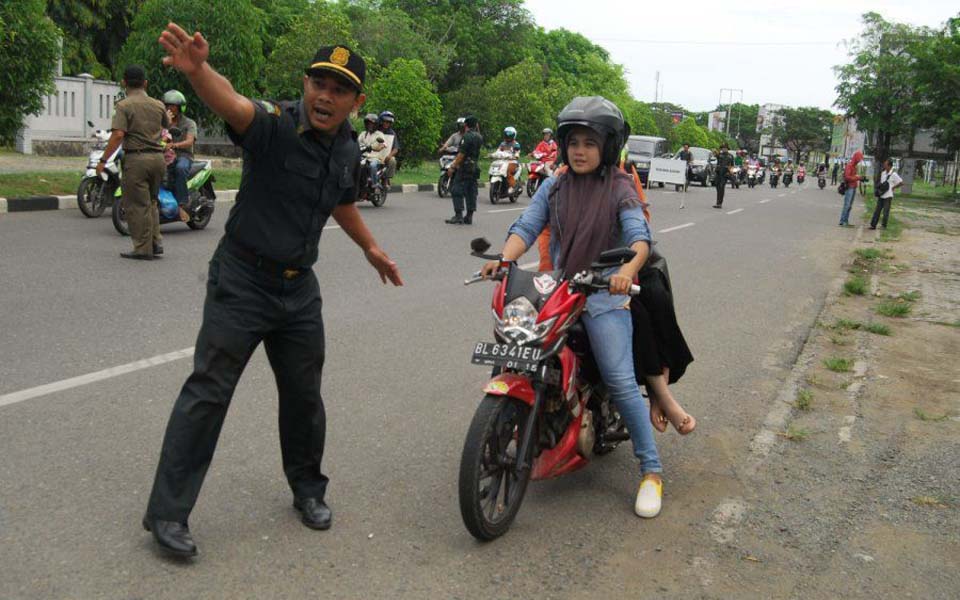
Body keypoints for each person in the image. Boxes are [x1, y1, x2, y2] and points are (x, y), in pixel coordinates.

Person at [143, 24, 403, 558]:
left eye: (339, 88)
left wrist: (369, 248)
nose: (325, 96)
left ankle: (308, 490)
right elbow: (234, 105)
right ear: (305, 84)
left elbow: (340, 201)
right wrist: (197, 72)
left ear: (357, 100)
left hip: (298, 289)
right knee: (208, 393)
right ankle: (168, 514)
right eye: (318, 83)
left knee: (305, 397)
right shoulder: (274, 125)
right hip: (242, 280)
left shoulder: (350, 146)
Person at [480, 96, 673, 518]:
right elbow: (527, 226)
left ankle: (651, 471)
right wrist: (506, 259)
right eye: (573, 142)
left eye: (589, 142)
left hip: (604, 294)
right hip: (561, 290)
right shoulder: (555, 184)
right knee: (519, 350)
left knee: (621, 381)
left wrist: (627, 269)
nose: (579, 151)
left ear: (607, 146)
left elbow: (639, 237)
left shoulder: (619, 186)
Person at [97, 65, 169, 260]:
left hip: (137, 160)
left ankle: (142, 249)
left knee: (137, 205)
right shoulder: (158, 105)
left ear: (124, 82)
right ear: (145, 83)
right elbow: (167, 126)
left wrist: (103, 159)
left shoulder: (123, 105)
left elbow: (118, 134)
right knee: (152, 203)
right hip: (158, 159)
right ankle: (156, 242)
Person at [162, 89, 197, 222]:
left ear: (180, 107)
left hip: (183, 155)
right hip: (164, 154)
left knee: (180, 168)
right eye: (167, 105)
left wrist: (174, 146)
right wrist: (166, 123)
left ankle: (182, 204)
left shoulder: (189, 123)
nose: (170, 108)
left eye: (173, 106)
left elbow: (189, 141)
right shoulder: (162, 121)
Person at [445, 115, 482, 224]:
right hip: (475, 167)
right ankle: (469, 216)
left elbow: (462, 154)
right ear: (476, 125)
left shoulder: (467, 137)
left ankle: (458, 215)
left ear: (465, 125)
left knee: (456, 190)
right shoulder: (479, 137)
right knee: (471, 191)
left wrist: (452, 166)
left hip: (465, 167)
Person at [869, 158, 903, 230]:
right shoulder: (883, 173)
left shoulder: (894, 174)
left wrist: (894, 187)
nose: (884, 166)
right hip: (882, 194)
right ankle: (873, 224)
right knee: (877, 210)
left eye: (886, 165)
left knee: (885, 212)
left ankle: (883, 226)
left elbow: (901, 182)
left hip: (888, 195)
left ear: (890, 166)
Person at [358, 113, 389, 188]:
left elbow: (383, 145)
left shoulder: (379, 134)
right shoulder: (363, 134)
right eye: (368, 124)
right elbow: (357, 143)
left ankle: (374, 184)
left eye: (372, 124)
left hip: (375, 158)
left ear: (376, 125)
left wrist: (376, 148)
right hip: (364, 156)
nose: (370, 125)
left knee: (373, 165)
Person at [839, 150, 865, 227]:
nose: (859, 161)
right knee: (847, 205)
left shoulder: (854, 167)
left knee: (850, 205)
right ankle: (842, 221)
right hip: (849, 187)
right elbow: (847, 177)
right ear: (855, 158)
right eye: (858, 159)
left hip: (853, 187)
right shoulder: (849, 166)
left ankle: (846, 221)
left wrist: (859, 178)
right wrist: (857, 178)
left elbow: (853, 176)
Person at [377, 110, 399, 187]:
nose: (386, 124)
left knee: (392, 160)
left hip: (386, 156)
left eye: (389, 122)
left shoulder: (392, 133)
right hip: (374, 155)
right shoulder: (375, 131)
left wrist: (389, 156)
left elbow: (396, 148)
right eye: (385, 121)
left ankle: (386, 179)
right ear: (381, 121)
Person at [498, 126, 522, 193]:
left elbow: (517, 152)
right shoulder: (502, 143)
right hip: (503, 161)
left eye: (510, 135)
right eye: (506, 135)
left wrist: (516, 155)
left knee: (507, 172)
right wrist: (492, 155)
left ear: (514, 135)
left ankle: (514, 187)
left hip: (512, 162)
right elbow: (498, 150)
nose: (508, 137)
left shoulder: (516, 144)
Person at [713, 143, 734, 208]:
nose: (724, 149)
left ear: (727, 149)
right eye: (723, 148)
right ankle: (717, 202)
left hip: (725, 173)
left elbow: (732, 166)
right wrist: (715, 151)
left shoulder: (730, 156)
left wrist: (730, 172)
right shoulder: (719, 155)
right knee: (717, 187)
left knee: (721, 187)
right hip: (718, 172)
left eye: (725, 148)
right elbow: (715, 154)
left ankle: (719, 203)